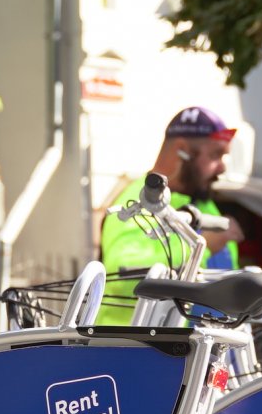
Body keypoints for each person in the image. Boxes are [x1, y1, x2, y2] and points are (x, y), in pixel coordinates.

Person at [96, 106, 242, 324]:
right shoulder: (137, 201)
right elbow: (124, 279)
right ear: (182, 149)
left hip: (197, 351)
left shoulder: (206, 206)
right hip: (130, 350)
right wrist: (203, 249)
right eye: (215, 155)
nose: (222, 167)